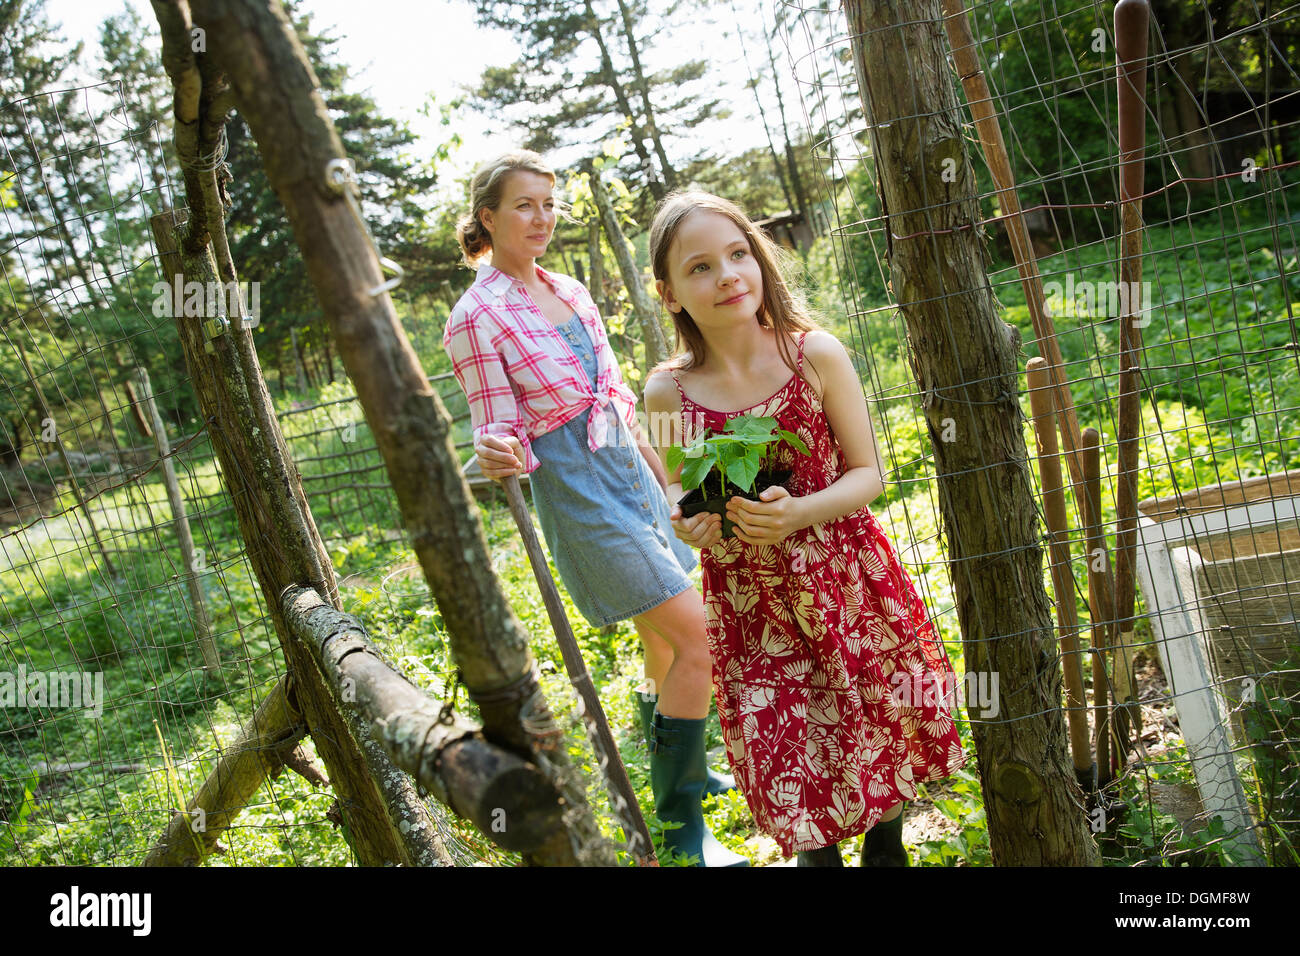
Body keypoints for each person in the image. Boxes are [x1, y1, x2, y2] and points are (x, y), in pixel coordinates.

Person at [644, 191, 966, 866]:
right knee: (789, 750)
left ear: (759, 262)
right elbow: (679, 483)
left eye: (738, 255)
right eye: (700, 267)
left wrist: (799, 511)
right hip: (750, 603)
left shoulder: (812, 355)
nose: (728, 275)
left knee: (873, 733)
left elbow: (869, 472)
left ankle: (885, 849)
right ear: (669, 293)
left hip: (846, 586)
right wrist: (687, 520)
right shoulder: (666, 393)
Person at [442, 152, 747, 867]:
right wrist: (495, 452)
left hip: (630, 473)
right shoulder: (474, 317)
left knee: (664, 644)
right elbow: (497, 423)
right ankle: (680, 833)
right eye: (525, 205)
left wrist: (666, 485)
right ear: (488, 218)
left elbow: (617, 400)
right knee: (698, 640)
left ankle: (689, 770)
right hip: (579, 495)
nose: (542, 218)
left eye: (549, 203)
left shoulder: (571, 289)